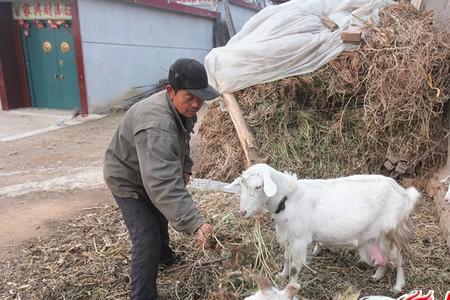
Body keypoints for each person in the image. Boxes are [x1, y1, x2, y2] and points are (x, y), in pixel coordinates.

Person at [103, 58, 220, 300]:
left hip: (149, 171)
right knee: (146, 236)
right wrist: (196, 224)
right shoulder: (156, 125)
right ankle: (142, 295)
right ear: (170, 91)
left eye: (201, 98)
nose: (197, 104)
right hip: (127, 178)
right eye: (190, 97)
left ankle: (164, 257)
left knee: (159, 215)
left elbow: (183, 138)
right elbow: (162, 184)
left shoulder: (182, 109)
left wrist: (185, 165)